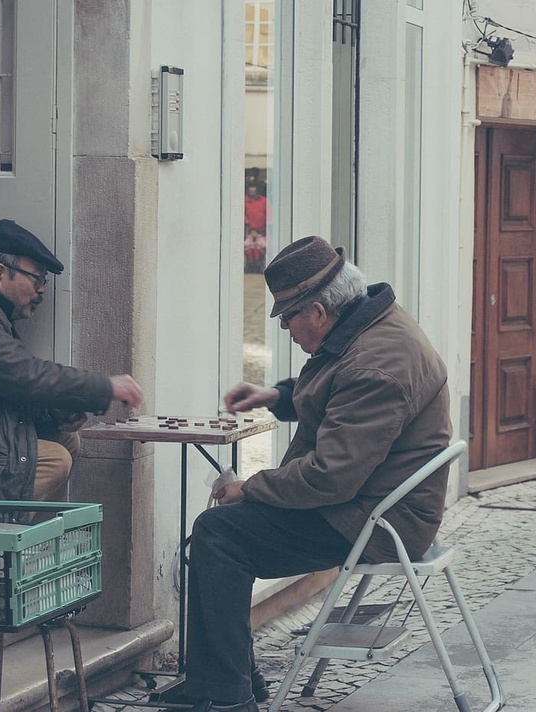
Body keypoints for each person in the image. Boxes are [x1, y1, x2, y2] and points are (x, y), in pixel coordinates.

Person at [183, 236, 452, 711]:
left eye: (288, 317)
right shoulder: (371, 327)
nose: (285, 327)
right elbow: (336, 390)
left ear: (320, 311)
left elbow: (331, 476)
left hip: (376, 521)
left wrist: (251, 487)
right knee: (220, 532)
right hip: (371, 502)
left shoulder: (376, 363)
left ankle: (226, 695)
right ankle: (226, 680)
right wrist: (276, 397)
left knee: (218, 536)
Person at [0, 219, 143, 502]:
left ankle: (21, 533)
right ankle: (0, 539)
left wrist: (56, 413)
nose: (42, 291)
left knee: (65, 439)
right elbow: (25, 375)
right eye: (37, 278)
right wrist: (105, 387)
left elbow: (11, 390)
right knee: (55, 459)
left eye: (45, 281)